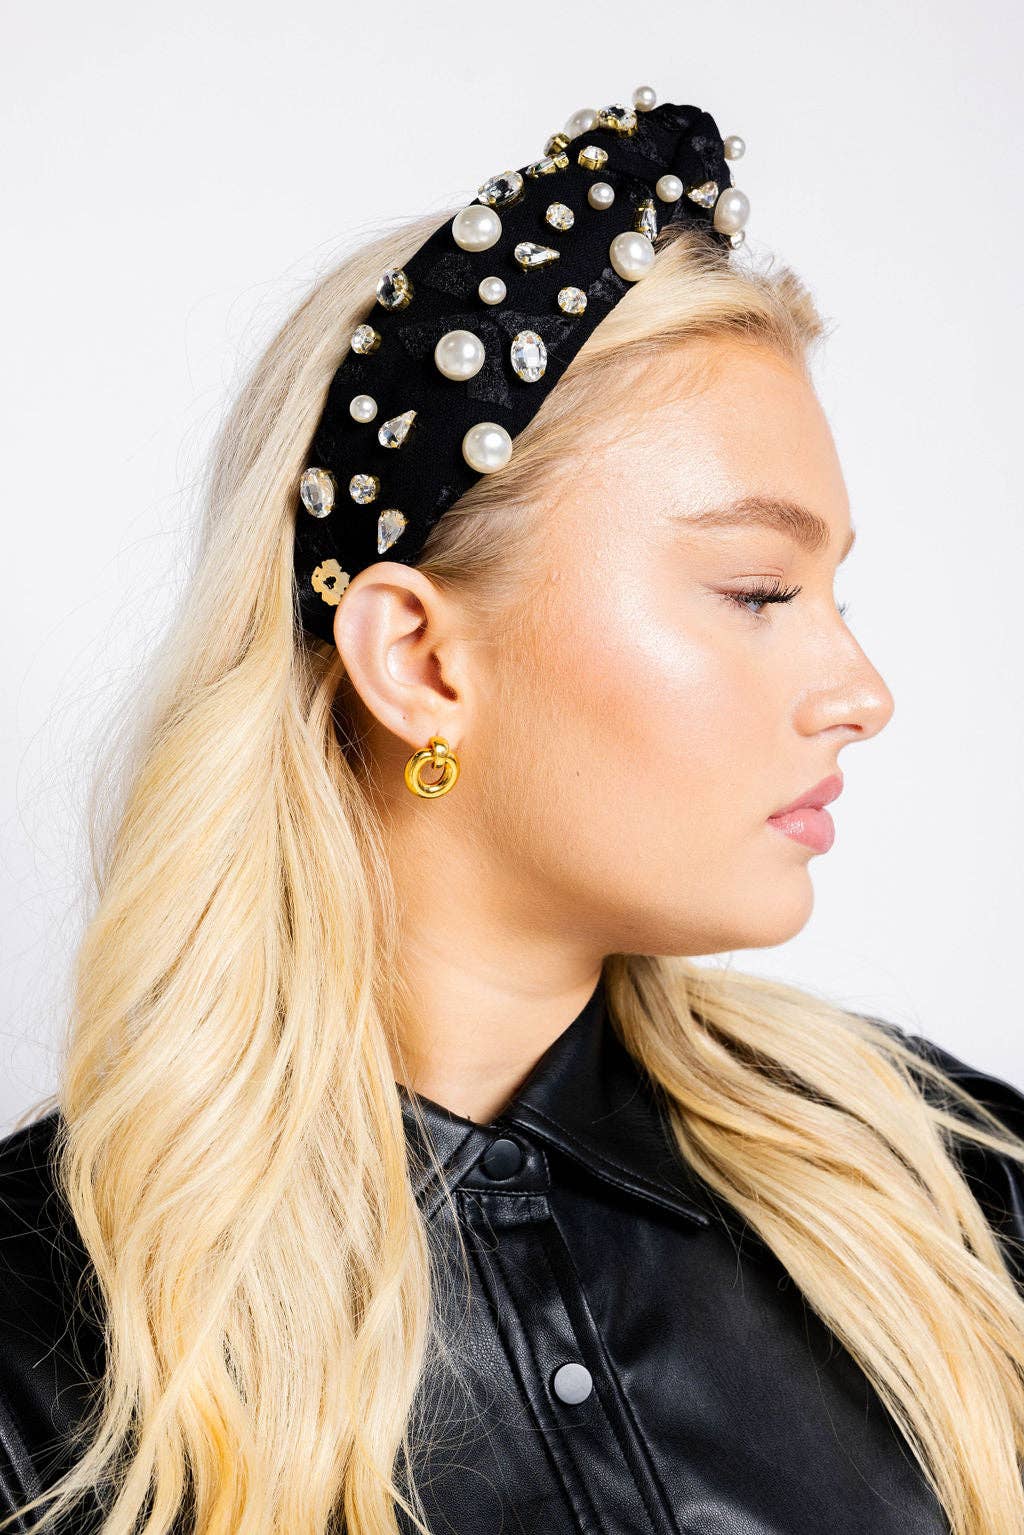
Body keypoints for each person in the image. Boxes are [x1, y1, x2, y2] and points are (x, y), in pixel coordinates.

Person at [0, 86, 1022, 1535]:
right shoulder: (42, 1347)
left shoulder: (959, 1193)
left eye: (833, 596)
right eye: (758, 592)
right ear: (420, 662)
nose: (862, 692)